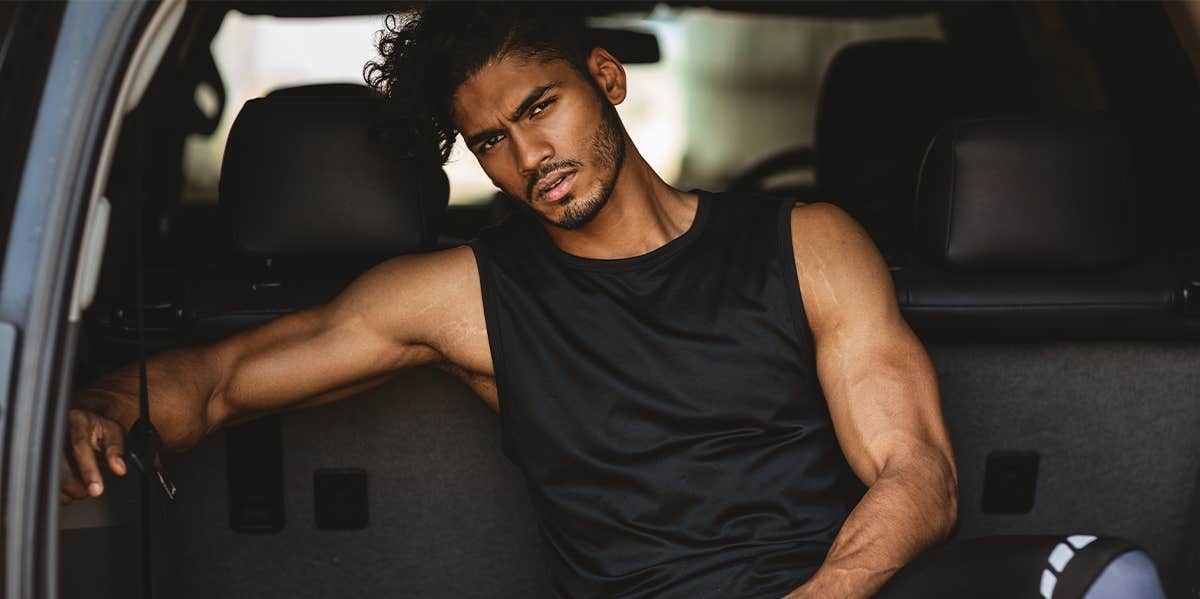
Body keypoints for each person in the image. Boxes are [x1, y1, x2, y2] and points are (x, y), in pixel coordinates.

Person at [62, 5, 958, 598]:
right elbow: (221, 379)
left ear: (605, 77)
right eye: (490, 140)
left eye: (541, 108)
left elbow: (918, 471)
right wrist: (102, 406)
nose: (529, 157)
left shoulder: (808, 243)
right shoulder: (468, 297)